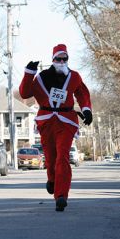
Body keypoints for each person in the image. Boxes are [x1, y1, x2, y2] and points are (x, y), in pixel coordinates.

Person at [19, 44, 92, 211]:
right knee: (51, 159)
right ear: (53, 60)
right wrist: (29, 73)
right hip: (46, 122)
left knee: (62, 157)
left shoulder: (74, 77)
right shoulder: (41, 77)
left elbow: (82, 94)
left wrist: (86, 110)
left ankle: (61, 195)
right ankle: (52, 180)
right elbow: (25, 93)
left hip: (66, 122)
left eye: (64, 59)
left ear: (67, 60)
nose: (61, 61)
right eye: (58, 59)